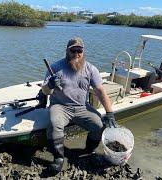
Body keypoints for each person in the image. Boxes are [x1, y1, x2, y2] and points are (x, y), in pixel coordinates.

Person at [42, 37, 117, 173]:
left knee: (99, 125)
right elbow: (45, 91)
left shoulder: (91, 69)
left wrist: (110, 113)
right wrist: (50, 84)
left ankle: (88, 150)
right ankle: (59, 158)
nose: (76, 53)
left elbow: (100, 91)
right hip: (60, 105)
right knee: (54, 123)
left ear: (83, 52)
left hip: (82, 106)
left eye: (79, 50)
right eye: (73, 50)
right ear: (67, 51)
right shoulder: (55, 68)